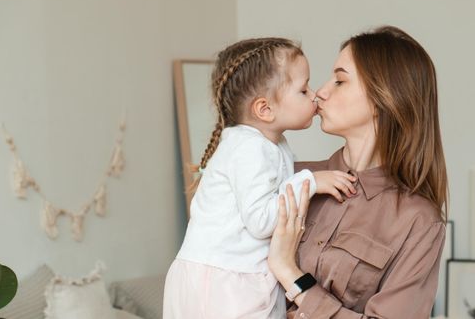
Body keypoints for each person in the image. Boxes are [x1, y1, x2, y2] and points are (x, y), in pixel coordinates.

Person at [163, 37, 356, 318]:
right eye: (303, 90)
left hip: (235, 275)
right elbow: (260, 220)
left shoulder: (271, 145)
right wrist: (311, 182)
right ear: (265, 109)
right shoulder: (248, 147)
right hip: (220, 281)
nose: (314, 95)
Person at [268, 26, 448, 319]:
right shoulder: (290, 177)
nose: (320, 93)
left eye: (339, 81)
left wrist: (291, 275)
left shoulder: (418, 222)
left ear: (384, 97)